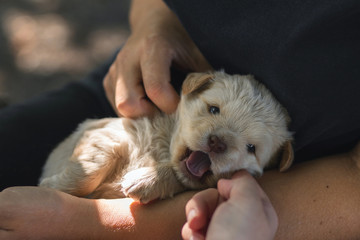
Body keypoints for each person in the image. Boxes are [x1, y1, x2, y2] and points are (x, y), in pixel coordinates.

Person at [1, 0, 360, 239]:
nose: (220, 140)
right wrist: (154, 21)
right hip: (134, 93)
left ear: (279, 159)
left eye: (251, 147)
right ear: (196, 89)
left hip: (278, 199)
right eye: (214, 111)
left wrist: (76, 221)